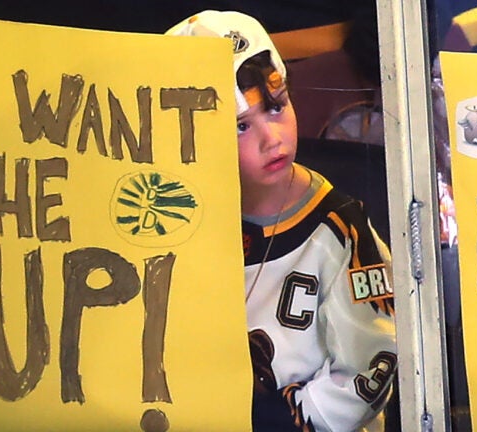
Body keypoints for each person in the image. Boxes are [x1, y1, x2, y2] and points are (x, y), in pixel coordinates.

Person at [166, 11, 397, 432]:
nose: (271, 138)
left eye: (276, 107)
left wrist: (276, 418)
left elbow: (372, 366)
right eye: (240, 126)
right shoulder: (173, 224)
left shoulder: (341, 229)